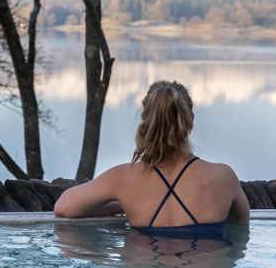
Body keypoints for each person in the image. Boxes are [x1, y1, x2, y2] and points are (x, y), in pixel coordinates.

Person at [54, 81, 250, 238]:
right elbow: (240, 228)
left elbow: (64, 208)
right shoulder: (223, 177)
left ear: (146, 122)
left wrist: (122, 203)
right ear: (190, 121)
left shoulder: (124, 179)